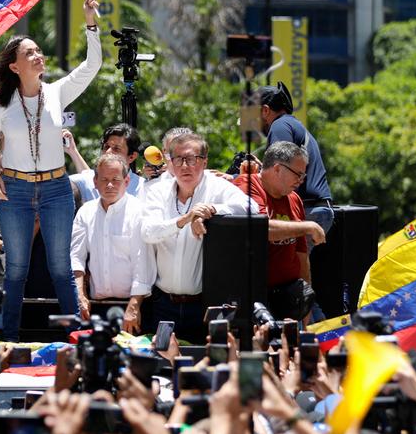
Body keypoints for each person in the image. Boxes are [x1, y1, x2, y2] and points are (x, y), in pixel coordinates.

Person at [0, 0, 102, 341]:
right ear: (14, 66)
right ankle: (10, 343)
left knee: (61, 268)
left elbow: (92, 66)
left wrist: (89, 21)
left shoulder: (58, 91)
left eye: (38, 50)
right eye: (29, 52)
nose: (38, 55)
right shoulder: (1, 104)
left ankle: (74, 341)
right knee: (16, 269)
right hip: (14, 189)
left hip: (56, 188)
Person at [140, 132, 255, 342]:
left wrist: (211, 210)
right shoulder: (157, 191)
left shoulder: (217, 187)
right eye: (179, 160)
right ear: (171, 163)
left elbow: (251, 207)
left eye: (192, 159)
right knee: (163, 364)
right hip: (162, 303)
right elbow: (149, 232)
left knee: (202, 366)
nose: (185, 166)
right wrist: (185, 219)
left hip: (202, 305)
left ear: (204, 162)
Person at [232, 141, 326, 322]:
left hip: (289, 299)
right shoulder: (246, 187)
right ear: (277, 168)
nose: (301, 180)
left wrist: (304, 308)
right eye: (298, 174)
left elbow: (301, 256)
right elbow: (261, 229)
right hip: (256, 299)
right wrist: (308, 226)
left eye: (303, 175)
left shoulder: (294, 199)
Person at [70, 154, 155, 329]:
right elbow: (76, 257)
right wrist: (80, 294)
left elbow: (143, 263)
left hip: (133, 306)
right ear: (95, 181)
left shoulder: (140, 212)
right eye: (104, 179)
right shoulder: (85, 212)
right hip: (94, 306)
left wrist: (134, 305)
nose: (109, 185)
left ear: (127, 181)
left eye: (116, 179)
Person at [259, 82, 334, 240]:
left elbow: (278, 171)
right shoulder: (292, 124)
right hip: (316, 209)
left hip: (308, 210)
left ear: (265, 110)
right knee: (296, 263)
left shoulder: (279, 125)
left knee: (285, 263)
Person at [69, 123, 145, 202]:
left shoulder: (143, 188)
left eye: (116, 149)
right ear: (95, 181)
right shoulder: (88, 180)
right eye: (106, 147)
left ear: (132, 156)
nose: (108, 152)